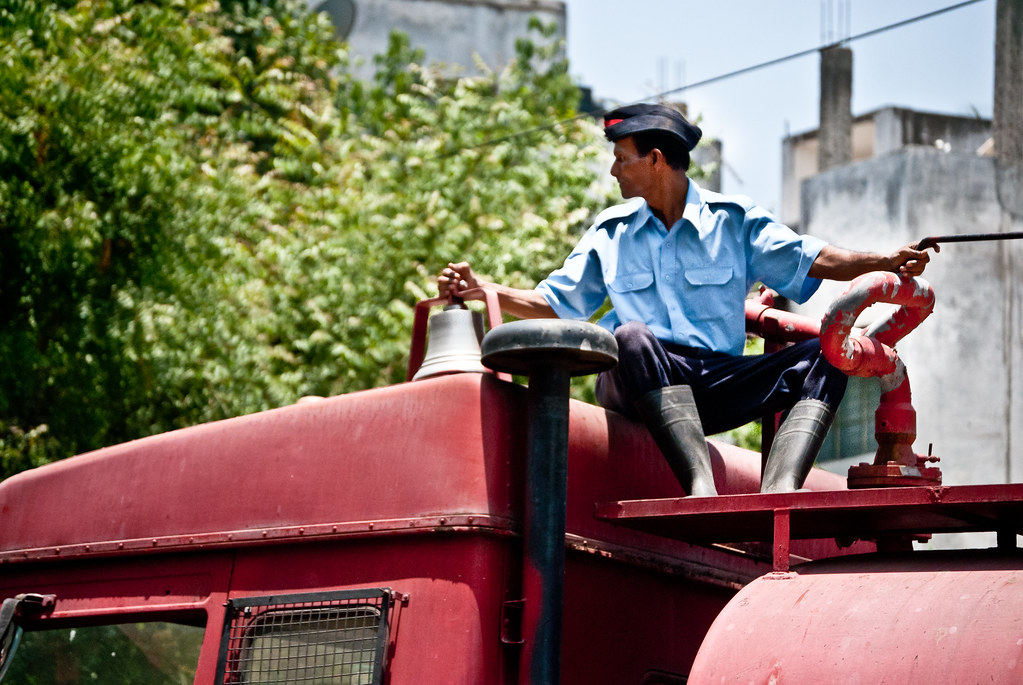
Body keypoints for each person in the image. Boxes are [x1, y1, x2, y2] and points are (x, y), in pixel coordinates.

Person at [437, 103, 934, 496]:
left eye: (621, 157)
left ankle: (778, 489)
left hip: (714, 383)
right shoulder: (611, 234)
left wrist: (884, 262)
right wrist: (485, 290)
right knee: (629, 336)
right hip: (639, 382)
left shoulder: (734, 221)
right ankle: (700, 484)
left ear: (655, 160)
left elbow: (814, 260)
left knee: (827, 354)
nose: (614, 170)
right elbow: (554, 304)